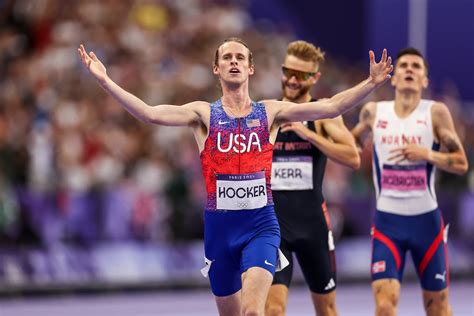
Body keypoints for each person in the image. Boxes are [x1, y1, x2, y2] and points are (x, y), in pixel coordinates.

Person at [78, 37, 392, 316]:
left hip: (262, 226)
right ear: (216, 69)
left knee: (254, 311)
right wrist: (106, 81)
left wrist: (371, 83)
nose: (233, 62)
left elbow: (330, 107)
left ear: (250, 69)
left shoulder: (270, 112)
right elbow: (148, 113)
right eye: (227, 58)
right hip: (220, 231)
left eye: (240, 58)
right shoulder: (203, 114)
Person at [351, 47, 468, 316]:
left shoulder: (435, 112)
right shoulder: (374, 112)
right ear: (392, 78)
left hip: (426, 224)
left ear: (425, 80)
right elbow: (351, 144)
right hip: (387, 224)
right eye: (403, 65)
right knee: (383, 305)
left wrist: (425, 153)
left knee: (438, 307)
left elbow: (461, 162)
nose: (409, 70)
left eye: (416, 66)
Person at [265, 40, 360, 316]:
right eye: (288, 72)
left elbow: (352, 157)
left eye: (301, 75)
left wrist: (309, 135)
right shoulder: (269, 112)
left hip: (313, 226)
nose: (292, 80)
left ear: (314, 77)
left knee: (327, 310)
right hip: (274, 227)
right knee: (272, 308)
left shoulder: (322, 114)